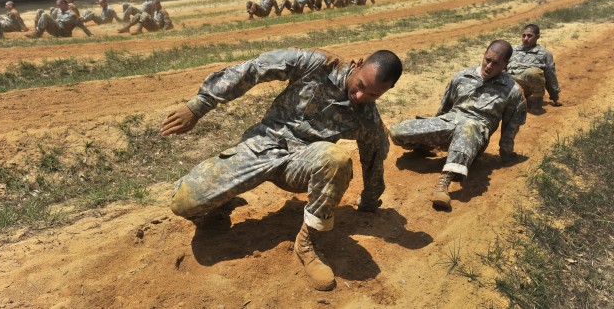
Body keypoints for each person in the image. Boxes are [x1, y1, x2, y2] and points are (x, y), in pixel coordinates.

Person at [162, 48, 402, 291]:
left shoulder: (367, 118)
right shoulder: (317, 64)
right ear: (358, 63)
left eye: (373, 94)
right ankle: (222, 203)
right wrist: (199, 105)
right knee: (183, 203)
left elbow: (374, 160)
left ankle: (307, 243)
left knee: (336, 158)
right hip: (262, 145)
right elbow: (255, 69)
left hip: (300, 164)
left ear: (385, 92)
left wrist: (370, 200)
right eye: (360, 85)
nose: (360, 96)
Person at [389, 40, 526, 210]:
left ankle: (443, 185)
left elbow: (510, 127)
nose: (489, 66)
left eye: (495, 63)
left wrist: (506, 153)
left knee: (468, 125)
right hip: (450, 122)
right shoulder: (462, 77)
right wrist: (430, 134)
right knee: (397, 131)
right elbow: (444, 108)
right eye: (487, 59)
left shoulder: (512, 90)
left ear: (506, 64)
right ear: (484, 55)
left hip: (475, 133)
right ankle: (425, 147)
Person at [507, 24, 561, 112]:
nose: (525, 38)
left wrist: (555, 96)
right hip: (511, 84)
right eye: (524, 35)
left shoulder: (545, 54)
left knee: (533, 73)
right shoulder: (512, 50)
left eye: (529, 36)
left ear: (537, 37)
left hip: (528, 85)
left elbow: (550, 75)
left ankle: (536, 101)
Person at [26, 0, 93, 38]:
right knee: (40, 11)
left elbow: (81, 25)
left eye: (59, 5)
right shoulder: (58, 11)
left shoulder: (72, 15)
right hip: (55, 30)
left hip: (63, 32)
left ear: (64, 3)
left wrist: (90, 34)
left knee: (44, 15)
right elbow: (52, 19)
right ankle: (37, 31)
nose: (58, 6)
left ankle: (38, 33)